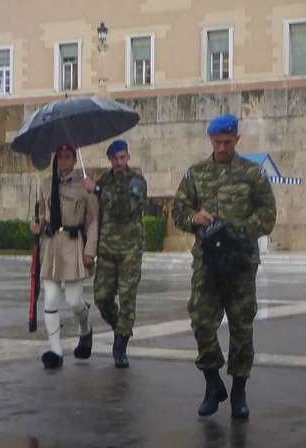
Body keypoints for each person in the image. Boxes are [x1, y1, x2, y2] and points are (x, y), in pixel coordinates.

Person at [171, 114, 276, 420]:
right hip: (208, 263)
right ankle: (212, 382)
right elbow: (179, 211)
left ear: (236, 140)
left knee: (242, 328)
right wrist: (196, 219)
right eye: (216, 143)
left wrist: (233, 229)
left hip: (240, 263)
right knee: (202, 323)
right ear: (210, 141)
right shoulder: (196, 173)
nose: (221, 148)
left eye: (227, 142)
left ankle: (239, 392)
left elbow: (267, 217)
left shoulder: (253, 174)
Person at [29, 143, 98, 369]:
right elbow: (41, 215)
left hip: (73, 244)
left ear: (74, 160)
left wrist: (90, 252)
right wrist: (36, 226)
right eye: (60, 157)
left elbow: (93, 221)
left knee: (74, 300)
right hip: (51, 245)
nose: (63, 162)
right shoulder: (47, 184)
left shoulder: (84, 185)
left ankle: (85, 329)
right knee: (50, 298)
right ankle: (55, 351)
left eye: (68, 157)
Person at [83, 138, 147, 368]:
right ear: (109, 160)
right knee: (102, 297)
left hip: (130, 249)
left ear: (128, 157)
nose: (119, 162)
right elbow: (96, 214)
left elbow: (125, 208)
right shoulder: (105, 180)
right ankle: (121, 328)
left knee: (128, 297)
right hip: (107, 248)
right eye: (115, 158)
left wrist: (97, 191)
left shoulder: (137, 180)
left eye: (122, 157)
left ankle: (120, 347)